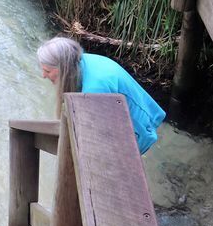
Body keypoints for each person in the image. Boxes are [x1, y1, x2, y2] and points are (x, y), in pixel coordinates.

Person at [37, 36, 165, 155]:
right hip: (137, 113)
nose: (43, 75)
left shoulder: (94, 90)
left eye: (47, 71)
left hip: (140, 131)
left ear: (64, 68)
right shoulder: (80, 61)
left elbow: (101, 137)